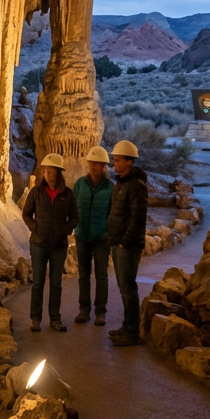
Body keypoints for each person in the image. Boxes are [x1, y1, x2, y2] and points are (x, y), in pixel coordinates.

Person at [22, 153, 77, 333]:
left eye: (50, 171)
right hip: (39, 242)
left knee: (56, 283)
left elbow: (75, 216)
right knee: (38, 282)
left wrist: (66, 229)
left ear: (59, 173)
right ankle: (35, 318)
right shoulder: (36, 192)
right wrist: (34, 227)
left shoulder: (67, 194)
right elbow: (26, 213)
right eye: (45, 171)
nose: (47, 174)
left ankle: (55, 318)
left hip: (59, 245)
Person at [106, 139, 148, 346]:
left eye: (119, 160)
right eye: (114, 159)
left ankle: (132, 331)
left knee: (128, 287)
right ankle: (127, 326)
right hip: (118, 242)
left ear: (129, 162)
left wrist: (124, 242)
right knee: (124, 286)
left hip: (127, 246)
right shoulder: (121, 183)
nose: (115, 163)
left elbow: (137, 217)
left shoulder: (135, 186)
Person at [73, 146, 114, 325]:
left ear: (104, 165)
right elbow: (73, 207)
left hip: (101, 238)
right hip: (82, 234)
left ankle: (100, 311)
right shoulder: (80, 184)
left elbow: (113, 213)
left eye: (98, 163)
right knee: (83, 274)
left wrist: (107, 230)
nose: (94, 166)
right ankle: (84, 309)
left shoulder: (111, 188)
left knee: (101, 275)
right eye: (91, 162)